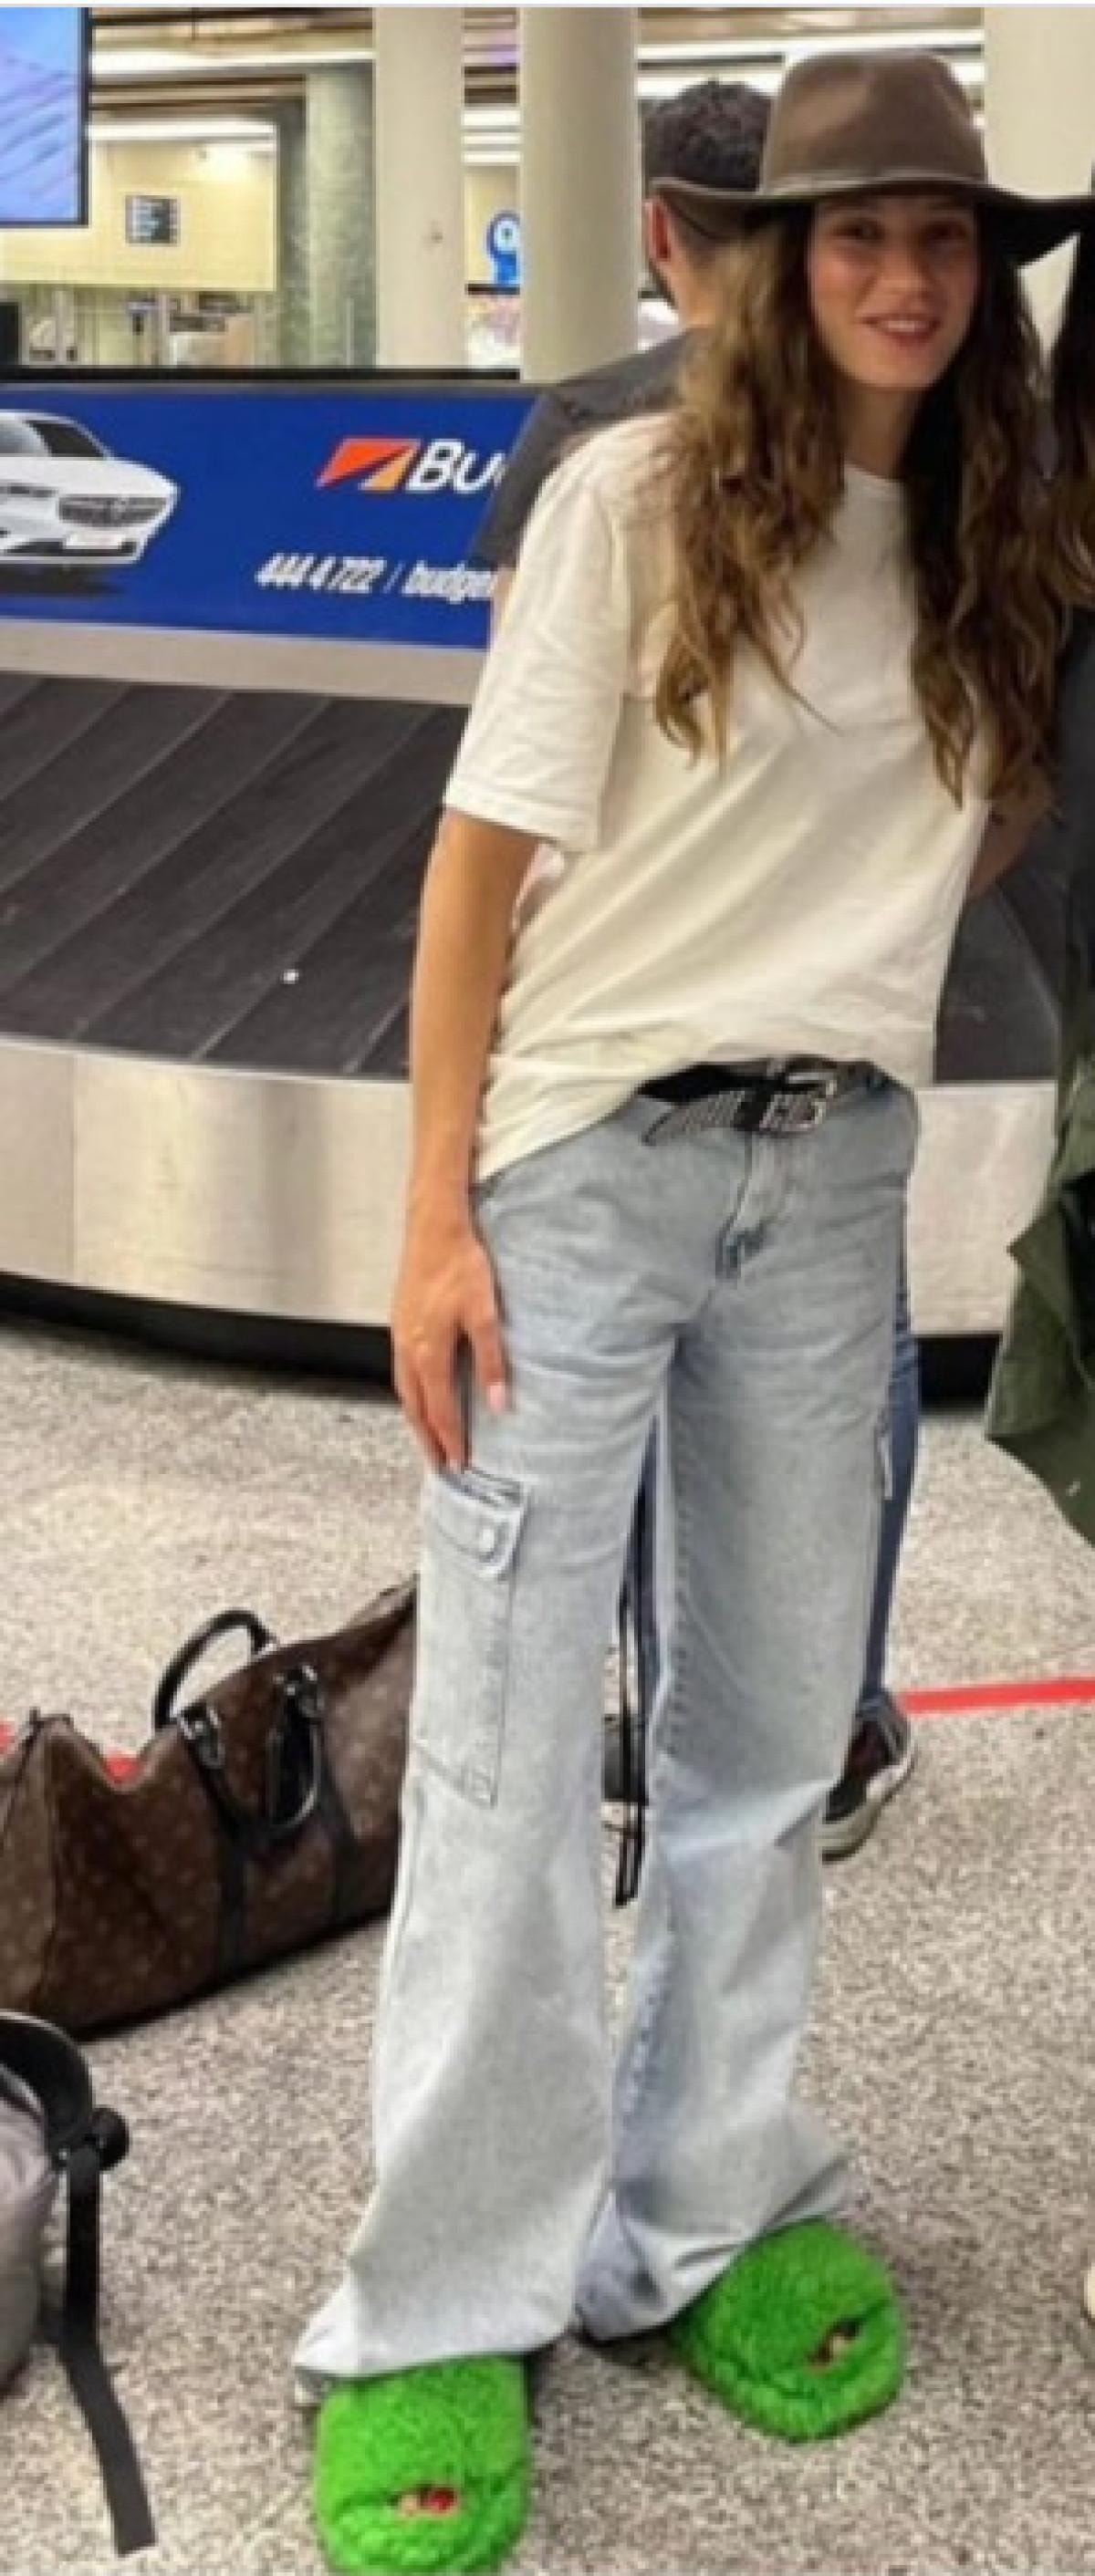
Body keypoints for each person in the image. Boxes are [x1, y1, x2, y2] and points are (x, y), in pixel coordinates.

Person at [298, 54, 1090, 2576]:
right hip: (585, 1173)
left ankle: (707, 2204)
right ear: (773, 257)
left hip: (831, 1175)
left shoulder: (1001, 532)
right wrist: (434, 1221)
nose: (906, 278)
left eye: (946, 241)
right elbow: (475, 867)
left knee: (761, 1735)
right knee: (514, 1742)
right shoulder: (634, 500)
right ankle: (442, 2297)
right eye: (861, 235)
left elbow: (988, 810)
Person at [475, 76, 918, 1866]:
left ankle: (707, 1716)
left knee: (643, 1415)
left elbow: (511, 764)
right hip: (797, 1048)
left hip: (659, 1065)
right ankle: (830, 1711)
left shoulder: (588, 431)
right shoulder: (894, 455)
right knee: (837, 1380)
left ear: (658, 230)